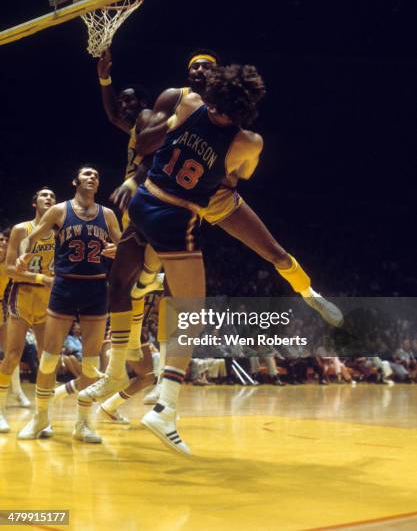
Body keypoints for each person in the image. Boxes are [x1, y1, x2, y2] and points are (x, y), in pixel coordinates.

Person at [94, 49, 343, 424]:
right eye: (194, 64)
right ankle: (156, 371)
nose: (200, 70)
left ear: (218, 76)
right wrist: (136, 174)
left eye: (207, 66)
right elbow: (146, 144)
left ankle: (309, 293)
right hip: (176, 199)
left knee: (273, 253)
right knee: (168, 285)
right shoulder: (179, 101)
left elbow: (230, 177)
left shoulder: (232, 130)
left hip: (214, 199)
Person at [16, 166, 121, 443]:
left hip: (97, 287)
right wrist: (23, 256)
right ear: (75, 181)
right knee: (49, 359)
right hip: (64, 286)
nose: (93, 177)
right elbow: (30, 237)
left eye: (96, 175)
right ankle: (41, 419)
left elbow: (125, 248)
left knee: (90, 365)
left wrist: (118, 251)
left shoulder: (107, 215)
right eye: (87, 174)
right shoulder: (60, 211)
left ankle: (83, 424)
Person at [0, 190, 56, 433]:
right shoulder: (21, 229)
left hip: (48, 299)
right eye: (44, 195)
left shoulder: (60, 232)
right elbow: (10, 269)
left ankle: (43, 416)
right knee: (12, 355)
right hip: (22, 294)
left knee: (48, 360)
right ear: (34, 202)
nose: (49, 198)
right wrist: (40, 277)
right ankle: (0, 410)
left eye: (53, 196)